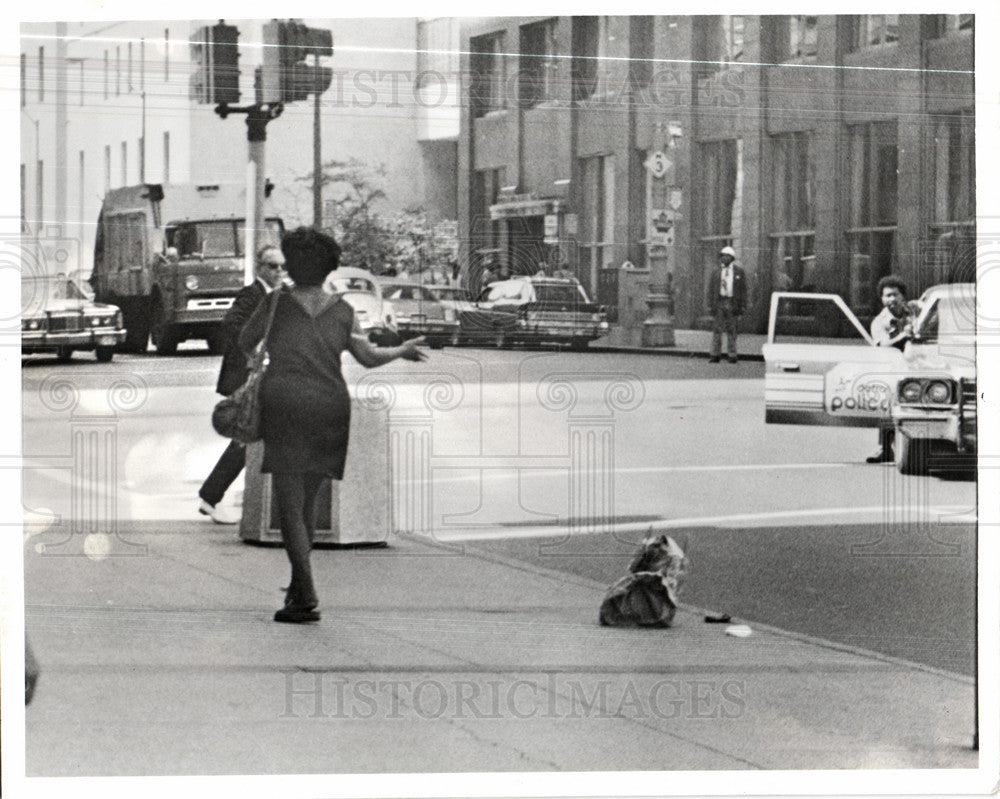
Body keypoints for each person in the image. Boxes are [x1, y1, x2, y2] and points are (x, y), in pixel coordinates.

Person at [239, 227, 427, 624]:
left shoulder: (275, 304)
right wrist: (402, 351)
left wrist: (271, 352)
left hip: (285, 402)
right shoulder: (343, 311)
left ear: (290, 264)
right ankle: (297, 582)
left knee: (288, 502)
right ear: (330, 269)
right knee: (307, 499)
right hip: (329, 406)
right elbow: (369, 357)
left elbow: (244, 340)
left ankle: (304, 591)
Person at [198, 244, 288, 524]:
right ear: (259, 267)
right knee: (246, 442)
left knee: (251, 440)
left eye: (282, 267)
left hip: (260, 378)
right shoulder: (252, 294)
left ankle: (220, 496)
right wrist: (255, 353)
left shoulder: (273, 295)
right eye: (272, 266)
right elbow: (232, 325)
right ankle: (212, 496)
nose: (278, 272)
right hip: (248, 378)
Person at [866, 274, 921, 463]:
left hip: (917, 364)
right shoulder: (879, 322)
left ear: (903, 296)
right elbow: (882, 345)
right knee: (888, 405)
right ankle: (886, 448)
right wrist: (904, 336)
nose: (890, 299)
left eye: (894, 295)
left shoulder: (915, 310)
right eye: (886, 296)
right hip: (892, 367)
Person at [707, 246, 747, 363]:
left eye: (727, 256)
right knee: (717, 330)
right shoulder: (716, 272)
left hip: (732, 302)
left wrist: (742, 305)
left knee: (732, 330)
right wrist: (710, 304)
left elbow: (743, 290)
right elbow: (711, 288)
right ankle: (715, 354)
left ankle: (732, 354)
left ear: (732, 258)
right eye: (722, 256)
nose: (724, 258)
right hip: (719, 301)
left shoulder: (738, 271)